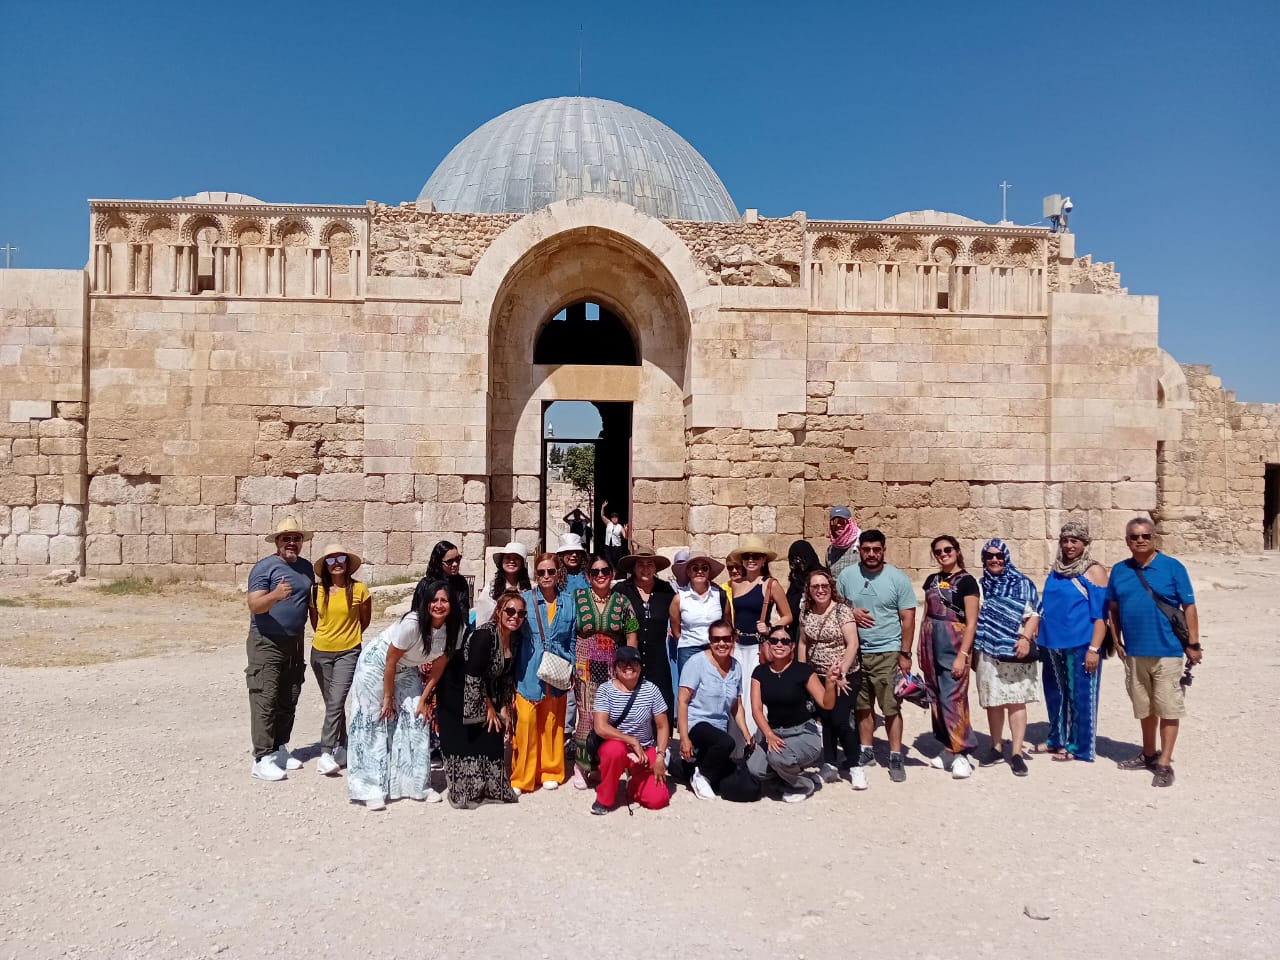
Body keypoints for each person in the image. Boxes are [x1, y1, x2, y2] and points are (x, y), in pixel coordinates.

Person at [346, 578, 460, 809]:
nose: (439, 605)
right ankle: (370, 788)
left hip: (407, 667)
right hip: (377, 663)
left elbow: (438, 666)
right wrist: (388, 698)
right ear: (426, 602)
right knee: (373, 719)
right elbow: (390, 660)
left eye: (444, 600)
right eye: (434, 600)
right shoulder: (412, 623)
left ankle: (415, 784)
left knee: (417, 717)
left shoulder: (455, 629)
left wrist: (424, 698)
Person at [1107, 517, 1201, 788]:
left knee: (1168, 707)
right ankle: (1148, 753)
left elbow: (1189, 607)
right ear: (1127, 541)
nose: (1140, 540)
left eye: (1145, 536)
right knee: (1144, 707)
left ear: (1154, 537)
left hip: (1167, 651)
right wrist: (1116, 639)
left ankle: (1165, 762)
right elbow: (1112, 608)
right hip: (1135, 652)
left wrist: (1193, 644)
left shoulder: (1173, 567)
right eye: (1135, 536)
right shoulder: (1119, 570)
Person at [836, 529, 917, 783]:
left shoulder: (898, 579)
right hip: (857, 652)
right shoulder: (847, 576)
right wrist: (851, 611)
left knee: (890, 707)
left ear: (884, 550)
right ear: (859, 550)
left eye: (876, 549)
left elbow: (908, 618)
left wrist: (905, 653)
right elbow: (837, 604)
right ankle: (866, 750)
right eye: (866, 549)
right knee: (862, 706)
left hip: (887, 652)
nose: (871, 554)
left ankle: (895, 755)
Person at [437, 590, 524, 808]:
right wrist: (489, 707)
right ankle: (467, 790)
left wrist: (504, 706)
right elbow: (473, 674)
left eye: (521, 613)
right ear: (499, 611)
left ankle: (490, 787)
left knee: (493, 734)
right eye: (510, 611)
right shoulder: (485, 635)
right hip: (459, 690)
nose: (515, 617)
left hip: (484, 689)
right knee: (470, 739)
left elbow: (506, 676)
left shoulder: (514, 638)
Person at [245, 518, 316, 781]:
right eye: (286, 538)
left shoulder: (307, 568)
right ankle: (262, 758)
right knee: (266, 697)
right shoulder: (264, 568)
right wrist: (275, 595)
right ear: (277, 541)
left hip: (294, 641)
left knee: (290, 694)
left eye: (296, 538)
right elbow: (254, 605)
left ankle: (279, 748)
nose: (292, 543)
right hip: (266, 641)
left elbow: (310, 602)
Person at [1038, 519, 1110, 762]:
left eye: (1075, 541)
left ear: (1085, 543)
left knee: (1081, 696)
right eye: (1065, 540)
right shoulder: (1057, 569)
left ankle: (1080, 746)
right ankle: (1057, 739)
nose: (1069, 545)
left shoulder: (1094, 571)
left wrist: (1094, 649)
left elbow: (1101, 615)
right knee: (1055, 693)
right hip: (1051, 642)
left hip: (1081, 642)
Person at [973, 539, 1041, 777]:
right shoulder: (980, 585)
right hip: (988, 649)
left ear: (1006, 558)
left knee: (1016, 700)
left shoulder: (1022, 583)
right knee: (993, 700)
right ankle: (996, 746)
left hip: (1015, 648)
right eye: (989, 556)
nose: (994, 560)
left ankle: (1017, 752)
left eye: (999, 556)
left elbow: (1034, 614)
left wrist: (1025, 638)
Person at [749, 626, 840, 802]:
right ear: (768, 644)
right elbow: (756, 709)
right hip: (775, 733)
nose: (779, 644)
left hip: (803, 733)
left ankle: (803, 785)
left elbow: (826, 704)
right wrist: (768, 734)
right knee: (755, 768)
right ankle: (785, 777)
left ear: (792, 646)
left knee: (777, 757)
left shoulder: (803, 670)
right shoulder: (759, 673)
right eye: (774, 640)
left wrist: (830, 684)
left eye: (785, 641)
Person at [570, 556, 639, 788]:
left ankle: (601, 764)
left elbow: (631, 633)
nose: (600, 575)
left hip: (612, 666)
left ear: (612, 573)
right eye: (595, 572)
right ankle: (581, 765)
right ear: (588, 576)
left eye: (605, 571)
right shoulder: (577, 598)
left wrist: (630, 663)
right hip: (584, 666)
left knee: (608, 717)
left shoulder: (621, 601)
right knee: (586, 715)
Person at [511, 554, 575, 795]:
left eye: (550, 571)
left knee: (552, 721)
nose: (546, 576)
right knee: (526, 723)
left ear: (558, 573)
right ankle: (522, 776)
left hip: (557, 667)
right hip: (528, 667)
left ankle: (550, 770)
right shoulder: (525, 600)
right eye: (541, 572)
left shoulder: (568, 602)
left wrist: (571, 665)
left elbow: (572, 638)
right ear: (535, 575)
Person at [917, 534, 979, 778]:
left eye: (948, 549)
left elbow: (972, 622)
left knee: (954, 697)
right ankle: (948, 747)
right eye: (938, 551)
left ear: (957, 551)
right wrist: (920, 644)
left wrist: (963, 654)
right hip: (931, 639)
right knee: (935, 695)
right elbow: (926, 613)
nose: (943, 554)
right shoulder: (931, 580)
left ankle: (961, 752)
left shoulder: (967, 582)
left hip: (954, 641)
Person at [308, 543, 371, 776]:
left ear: (347, 563)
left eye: (341, 558)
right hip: (320, 652)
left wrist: (347, 637)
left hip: (348, 652)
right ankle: (343, 748)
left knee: (335, 702)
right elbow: (315, 621)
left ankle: (325, 753)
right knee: (332, 704)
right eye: (331, 559)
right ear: (325, 565)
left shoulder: (359, 589)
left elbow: (365, 620)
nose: (336, 563)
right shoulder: (316, 591)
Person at [797, 567, 864, 788]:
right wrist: (801, 673)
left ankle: (855, 765)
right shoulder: (806, 612)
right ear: (809, 590)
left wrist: (841, 670)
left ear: (831, 587)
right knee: (826, 719)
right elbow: (803, 643)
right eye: (815, 586)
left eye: (824, 586)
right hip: (817, 675)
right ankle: (830, 764)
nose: (820, 590)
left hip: (844, 675)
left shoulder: (842, 611)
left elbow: (852, 643)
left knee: (840, 719)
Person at [676, 619, 751, 799]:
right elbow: (682, 701)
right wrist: (684, 738)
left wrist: (746, 734)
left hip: (719, 731)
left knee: (748, 788)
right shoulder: (696, 663)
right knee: (726, 743)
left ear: (733, 640)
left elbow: (736, 705)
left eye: (726, 639)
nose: (721, 643)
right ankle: (701, 776)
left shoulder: (736, 667)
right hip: (698, 724)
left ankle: (683, 767)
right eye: (716, 639)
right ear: (710, 641)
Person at [591, 645, 671, 814]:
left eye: (633, 662)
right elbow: (600, 727)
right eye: (623, 663)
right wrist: (631, 740)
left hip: (645, 749)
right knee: (614, 751)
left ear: (640, 666)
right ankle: (604, 798)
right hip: (618, 745)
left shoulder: (651, 690)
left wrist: (660, 756)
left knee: (659, 799)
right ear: (615, 668)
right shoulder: (605, 690)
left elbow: (663, 726)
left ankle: (634, 785)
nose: (629, 666)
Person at [726, 535, 793, 730]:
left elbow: (788, 615)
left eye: (755, 556)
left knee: (754, 693)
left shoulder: (770, 584)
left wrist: (771, 629)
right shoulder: (735, 584)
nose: (751, 560)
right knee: (736, 691)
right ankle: (738, 738)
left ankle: (758, 737)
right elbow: (730, 615)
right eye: (747, 556)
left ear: (763, 560)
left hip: (758, 648)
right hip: (738, 646)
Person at [614, 549, 677, 716]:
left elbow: (679, 613)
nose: (645, 568)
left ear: (655, 568)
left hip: (658, 661)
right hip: (629, 658)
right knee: (629, 707)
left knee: (662, 709)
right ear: (633, 568)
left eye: (650, 564)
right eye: (640, 564)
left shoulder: (665, 590)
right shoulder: (622, 590)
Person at [668, 550, 730, 674]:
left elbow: (727, 623)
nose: (700, 571)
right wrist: (685, 640)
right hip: (689, 650)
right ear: (688, 572)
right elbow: (675, 629)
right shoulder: (679, 598)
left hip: (715, 648)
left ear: (709, 572)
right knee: (689, 685)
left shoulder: (720, 595)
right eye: (695, 568)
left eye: (704, 568)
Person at [475, 541, 530, 625]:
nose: (511, 561)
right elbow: (483, 618)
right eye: (508, 557)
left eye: (516, 558)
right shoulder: (490, 588)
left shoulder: (531, 587)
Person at [425, 540, 471, 623]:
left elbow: (464, 614)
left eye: (457, 559)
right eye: (449, 561)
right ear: (439, 563)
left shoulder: (461, 583)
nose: (455, 564)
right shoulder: (426, 585)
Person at [785, 540, 822, 642]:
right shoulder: (795, 580)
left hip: (816, 631)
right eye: (794, 559)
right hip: (795, 631)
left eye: (799, 559)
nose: (797, 563)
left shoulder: (821, 578)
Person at [826, 506, 861, 582]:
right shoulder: (830, 550)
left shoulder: (860, 544)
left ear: (849, 522)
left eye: (842, 521)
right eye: (834, 522)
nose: (838, 525)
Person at [600, 500, 629, 570]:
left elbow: (625, 537)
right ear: (611, 518)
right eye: (613, 517)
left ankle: (617, 572)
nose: (614, 518)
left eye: (616, 517)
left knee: (616, 561)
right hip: (608, 545)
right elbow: (602, 515)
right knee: (608, 560)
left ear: (618, 518)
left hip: (616, 547)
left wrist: (626, 530)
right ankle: (612, 572)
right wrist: (603, 507)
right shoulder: (608, 523)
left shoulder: (620, 527)